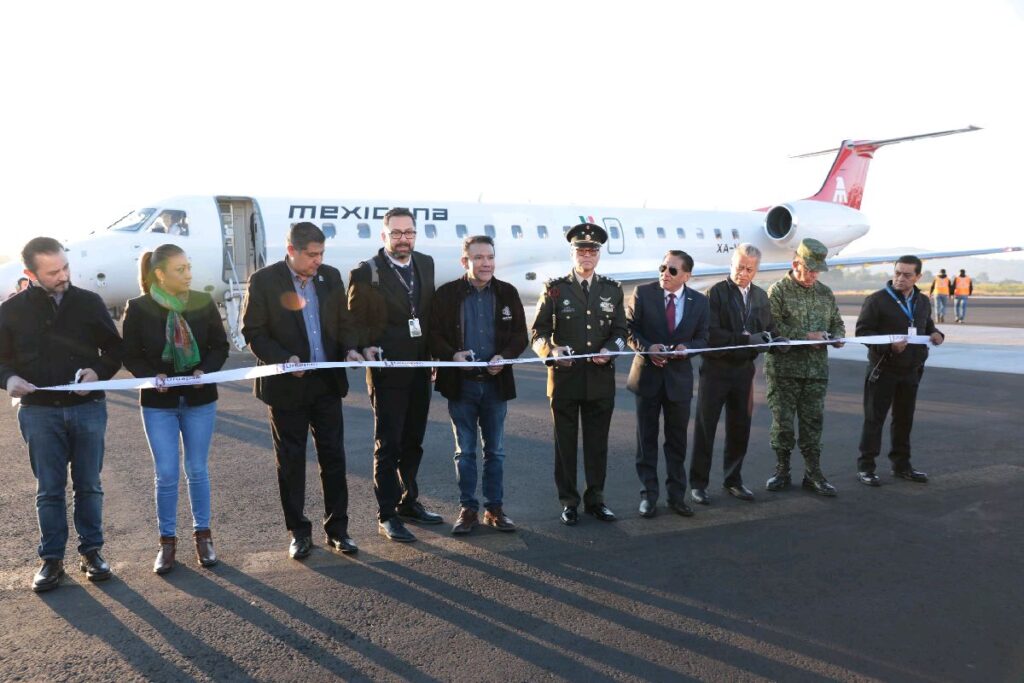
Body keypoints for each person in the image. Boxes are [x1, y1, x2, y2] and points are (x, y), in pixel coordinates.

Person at [0, 237, 123, 592]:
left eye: (65, 267)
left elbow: (115, 349)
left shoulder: (89, 302)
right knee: (49, 490)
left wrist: (98, 372)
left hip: (88, 409)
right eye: (53, 272)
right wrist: (9, 379)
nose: (63, 276)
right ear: (30, 273)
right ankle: (51, 560)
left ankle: (92, 553)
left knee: (89, 485)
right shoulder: (10, 312)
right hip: (39, 413)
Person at [241, 222, 363, 559]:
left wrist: (351, 348)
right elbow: (253, 330)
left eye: (322, 254)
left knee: (334, 457)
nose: (318, 261)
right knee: (291, 461)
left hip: (326, 384)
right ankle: (298, 532)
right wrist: (284, 359)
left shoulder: (331, 277)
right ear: (292, 251)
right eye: (312, 255)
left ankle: (339, 530)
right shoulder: (264, 281)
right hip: (285, 388)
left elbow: (344, 322)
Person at [122, 244, 230, 574]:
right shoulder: (138, 308)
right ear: (160, 274)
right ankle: (166, 544)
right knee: (166, 474)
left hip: (200, 400)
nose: (188, 274)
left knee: (197, 469)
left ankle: (203, 538)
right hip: (159, 403)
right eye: (180, 269)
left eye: (188, 267)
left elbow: (220, 345)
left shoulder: (203, 301)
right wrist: (149, 375)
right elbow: (130, 354)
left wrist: (204, 370)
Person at [348, 207, 440, 543]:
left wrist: (431, 356)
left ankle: (408, 501)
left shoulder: (425, 264)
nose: (404, 239)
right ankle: (386, 514)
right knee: (388, 443)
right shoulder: (366, 271)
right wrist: (366, 346)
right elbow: (354, 319)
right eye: (397, 233)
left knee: (414, 439)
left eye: (409, 232)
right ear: (384, 235)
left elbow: (426, 314)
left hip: (419, 367)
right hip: (387, 369)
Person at [429, 235, 528, 535]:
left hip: (496, 386)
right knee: (465, 451)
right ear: (465, 261)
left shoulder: (507, 293)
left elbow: (520, 337)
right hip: (462, 387)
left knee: (495, 451)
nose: (486, 263)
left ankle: (494, 509)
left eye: (490, 257)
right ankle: (468, 508)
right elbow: (433, 335)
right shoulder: (446, 295)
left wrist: (505, 356)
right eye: (478, 258)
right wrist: (451, 355)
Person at [531, 223, 628, 525]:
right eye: (581, 250)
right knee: (565, 445)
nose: (587, 255)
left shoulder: (612, 289)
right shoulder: (555, 288)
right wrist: (551, 352)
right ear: (572, 253)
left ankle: (596, 499)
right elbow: (537, 332)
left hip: (600, 382)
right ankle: (569, 501)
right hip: (565, 381)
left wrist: (611, 349)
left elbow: (621, 331)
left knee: (597, 445)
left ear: (598, 255)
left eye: (592, 250)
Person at [689, 244, 779, 505]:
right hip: (715, 371)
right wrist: (745, 338)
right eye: (740, 267)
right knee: (706, 428)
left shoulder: (761, 296)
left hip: (743, 372)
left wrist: (776, 340)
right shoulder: (714, 293)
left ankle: (733, 480)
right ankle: (698, 484)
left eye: (749, 269)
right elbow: (710, 333)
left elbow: (769, 328)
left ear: (757, 269)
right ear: (731, 264)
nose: (743, 273)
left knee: (740, 427)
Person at [626, 250, 708, 518]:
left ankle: (676, 497)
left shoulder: (699, 302)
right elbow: (629, 330)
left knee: (677, 442)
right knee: (646, 441)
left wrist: (689, 348)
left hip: (679, 382)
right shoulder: (643, 292)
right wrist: (648, 348)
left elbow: (703, 339)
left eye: (672, 270)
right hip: (647, 378)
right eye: (662, 267)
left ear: (687, 275)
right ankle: (648, 496)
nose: (665, 273)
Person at [765, 238, 845, 497]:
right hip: (784, 372)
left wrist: (838, 336)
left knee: (813, 424)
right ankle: (782, 470)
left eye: (816, 271)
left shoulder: (825, 293)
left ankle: (813, 473)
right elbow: (771, 329)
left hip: (816, 373)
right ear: (795, 264)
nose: (812, 275)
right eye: (808, 270)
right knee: (783, 425)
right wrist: (805, 335)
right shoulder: (778, 291)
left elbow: (837, 322)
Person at [856, 256, 944, 486]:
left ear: (918, 277)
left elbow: (927, 325)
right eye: (897, 273)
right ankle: (866, 467)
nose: (900, 278)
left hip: (911, 370)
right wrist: (888, 346)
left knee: (904, 419)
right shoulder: (876, 301)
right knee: (874, 419)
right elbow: (863, 333)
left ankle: (902, 466)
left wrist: (937, 334)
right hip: (883, 369)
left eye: (906, 275)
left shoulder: (922, 301)